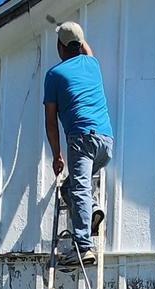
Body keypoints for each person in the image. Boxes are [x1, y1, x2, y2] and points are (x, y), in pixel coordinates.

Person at [43, 21, 113, 264]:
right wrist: (79, 36)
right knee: (69, 189)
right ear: (80, 44)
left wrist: (56, 155)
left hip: (81, 139)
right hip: (105, 143)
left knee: (80, 189)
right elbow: (87, 50)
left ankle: (84, 247)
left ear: (60, 46)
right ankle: (92, 211)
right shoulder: (92, 64)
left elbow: (51, 121)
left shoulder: (55, 75)